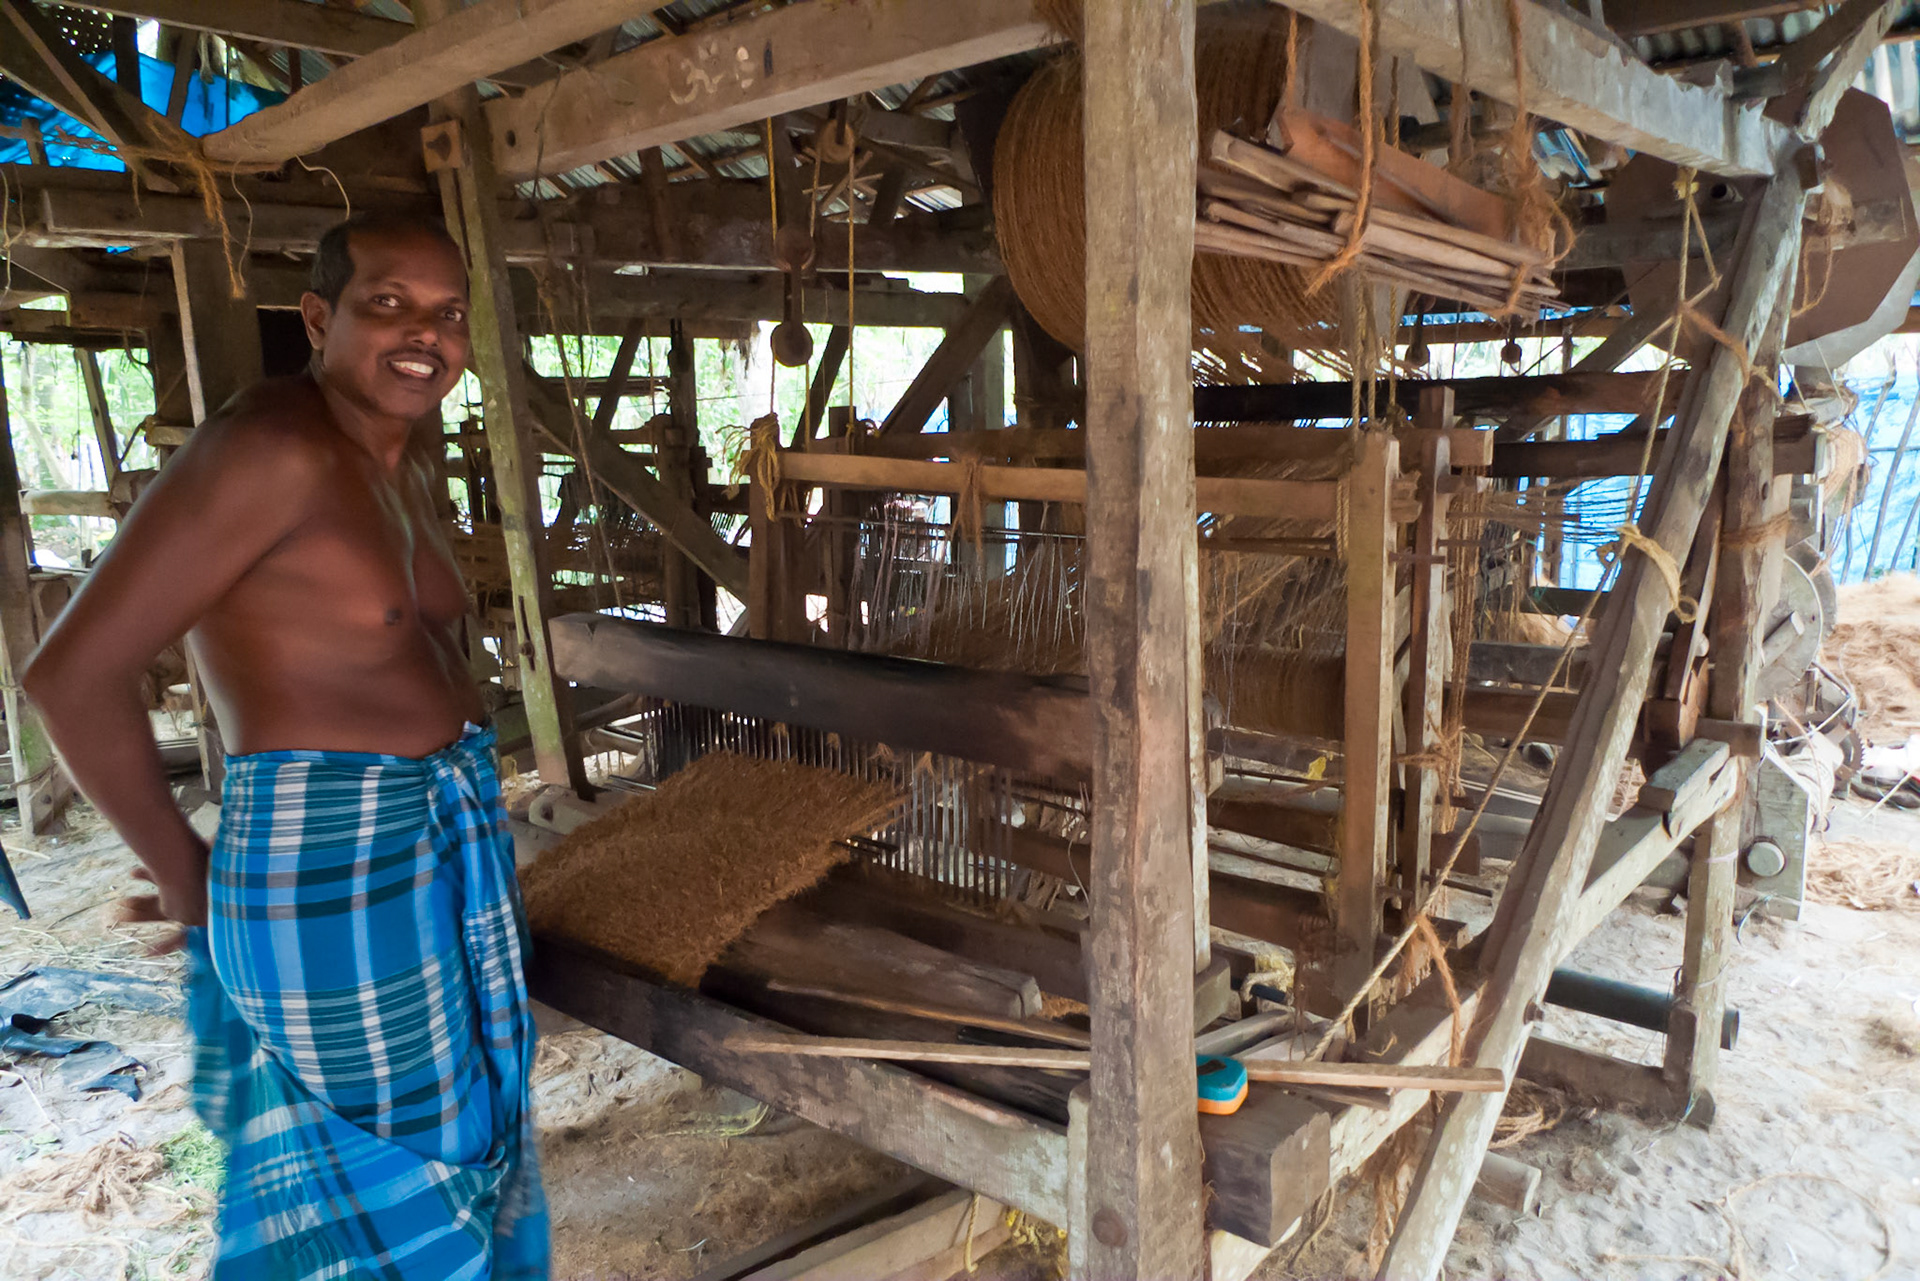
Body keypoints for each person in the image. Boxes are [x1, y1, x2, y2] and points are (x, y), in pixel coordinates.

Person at [22, 211, 548, 1280]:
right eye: (386, 305)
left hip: (434, 845)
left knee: (460, 1138)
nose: (423, 335)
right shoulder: (271, 450)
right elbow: (67, 675)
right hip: (333, 866)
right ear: (319, 316)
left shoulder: (393, 463)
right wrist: (187, 878)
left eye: (446, 314)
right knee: (391, 1160)